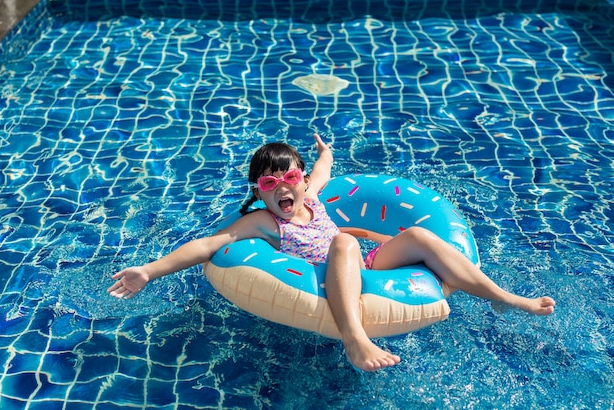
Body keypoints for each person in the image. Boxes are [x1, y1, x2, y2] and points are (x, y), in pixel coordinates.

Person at [108, 134, 556, 372]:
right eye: (268, 184)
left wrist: (326, 153)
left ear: (302, 181)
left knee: (422, 237)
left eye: (290, 179)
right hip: (321, 279)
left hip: (363, 267)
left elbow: (323, 170)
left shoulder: (314, 196)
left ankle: (506, 297)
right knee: (343, 240)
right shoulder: (265, 223)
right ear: (258, 192)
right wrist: (149, 271)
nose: (282, 188)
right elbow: (210, 244)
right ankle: (355, 340)